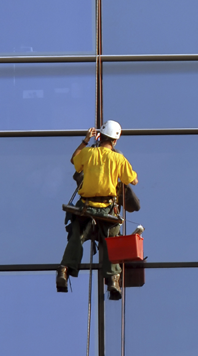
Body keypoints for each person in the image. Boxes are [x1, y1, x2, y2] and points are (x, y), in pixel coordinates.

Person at [56, 120, 138, 300]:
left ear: (100, 136)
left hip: (85, 207)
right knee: (112, 241)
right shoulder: (118, 158)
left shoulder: (88, 153)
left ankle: (64, 270)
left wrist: (86, 140)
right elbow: (132, 180)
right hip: (106, 210)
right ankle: (112, 281)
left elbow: (74, 159)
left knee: (76, 237)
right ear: (115, 141)